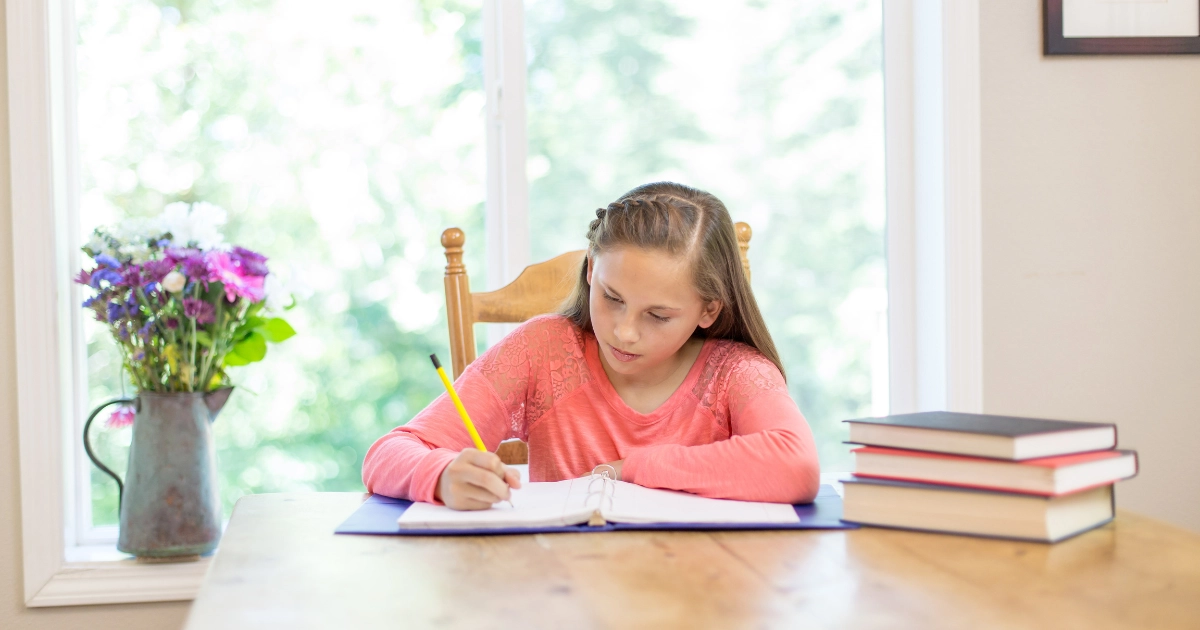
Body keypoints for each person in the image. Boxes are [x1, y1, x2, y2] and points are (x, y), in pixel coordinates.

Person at [362, 182, 820, 510]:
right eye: (612, 298)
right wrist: (440, 476)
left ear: (709, 311)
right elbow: (389, 453)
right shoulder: (541, 348)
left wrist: (630, 469)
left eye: (657, 316)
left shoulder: (736, 371)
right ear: (590, 273)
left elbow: (796, 466)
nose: (624, 332)